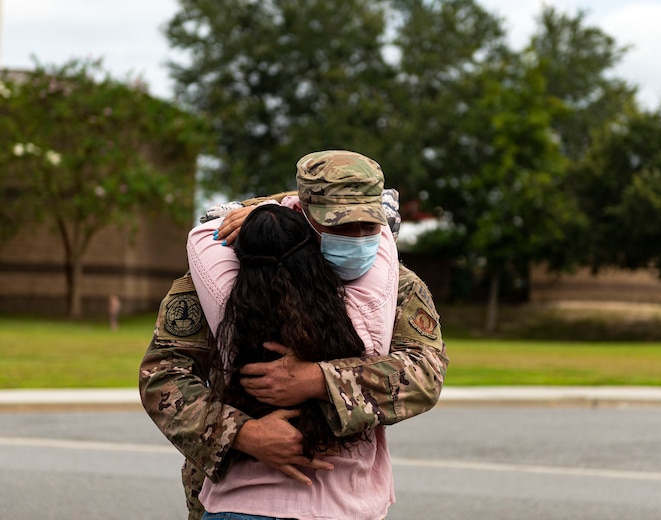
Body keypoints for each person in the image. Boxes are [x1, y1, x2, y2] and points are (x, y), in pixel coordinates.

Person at [138, 150, 447, 520]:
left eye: (369, 226)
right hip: (235, 500)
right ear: (303, 216)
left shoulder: (397, 284)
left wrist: (321, 380)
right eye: (340, 226)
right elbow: (163, 376)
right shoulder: (231, 272)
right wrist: (242, 434)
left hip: (349, 505)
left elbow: (425, 373)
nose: (358, 239)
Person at [192, 199, 396, 519]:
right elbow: (383, 221)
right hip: (342, 507)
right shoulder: (366, 313)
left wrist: (268, 210)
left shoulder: (226, 312)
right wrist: (292, 205)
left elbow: (202, 235)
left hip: (240, 504)